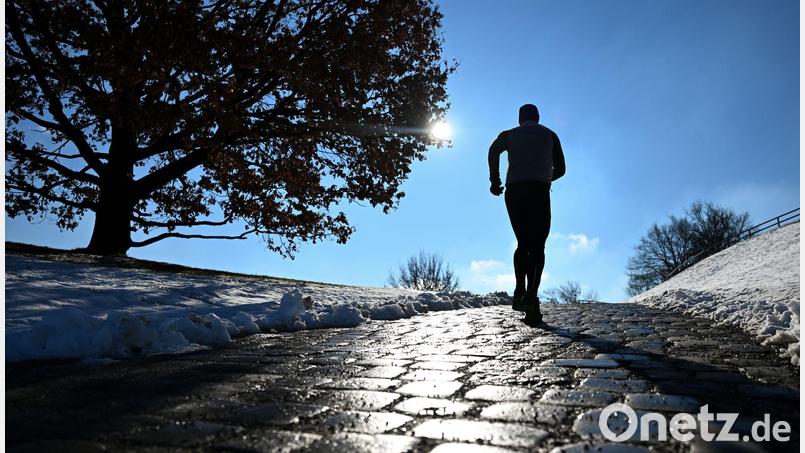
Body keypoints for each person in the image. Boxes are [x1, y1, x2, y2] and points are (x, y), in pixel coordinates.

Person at [488, 104, 565, 323]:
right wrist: (545, 177)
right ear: (538, 118)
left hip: (515, 192)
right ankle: (531, 294)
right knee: (538, 245)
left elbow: (493, 151)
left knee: (523, 242)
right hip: (539, 191)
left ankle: (519, 289)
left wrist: (495, 179)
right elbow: (561, 169)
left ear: (520, 118)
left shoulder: (510, 134)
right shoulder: (550, 135)